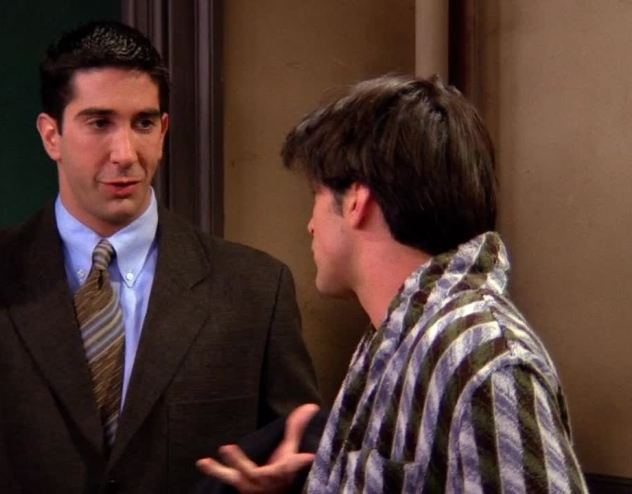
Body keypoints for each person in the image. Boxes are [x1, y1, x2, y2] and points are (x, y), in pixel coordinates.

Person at [0, 21, 320, 494]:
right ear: (51, 136)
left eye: (143, 123)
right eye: (100, 123)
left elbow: (305, 458)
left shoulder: (254, 289)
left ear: (163, 131)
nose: (125, 153)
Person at [197, 75, 588, 493]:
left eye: (316, 194)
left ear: (356, 201)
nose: (310, 225)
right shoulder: (395, 339)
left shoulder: (485, 360)